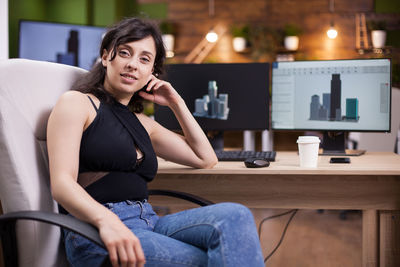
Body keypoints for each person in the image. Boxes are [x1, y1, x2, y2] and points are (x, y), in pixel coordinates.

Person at [47, 17, 264, 267]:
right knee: (215, 259)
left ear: (152, 72)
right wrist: (107, 222)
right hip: (96, 229)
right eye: (125, 53)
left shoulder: (143, 123)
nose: (132, 65)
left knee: (236, 215)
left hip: (150, 221)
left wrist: (176, 102)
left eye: (144, 59)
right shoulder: (77, 103)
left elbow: (206, 158)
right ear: (106, 57)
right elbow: (62, 184)